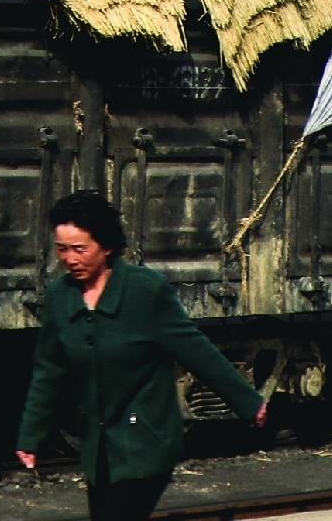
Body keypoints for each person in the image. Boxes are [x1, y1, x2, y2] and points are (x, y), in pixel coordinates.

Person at [16, 189, 267, 521]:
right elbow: (48, 371)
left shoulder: (145, 290)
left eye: (80, 249)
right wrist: (30, 437)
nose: (70, 258)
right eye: (62, 249)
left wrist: (248, 403)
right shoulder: (59, 297)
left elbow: (196, 351)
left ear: (105, 247)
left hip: (146, 442)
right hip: (99, 450)